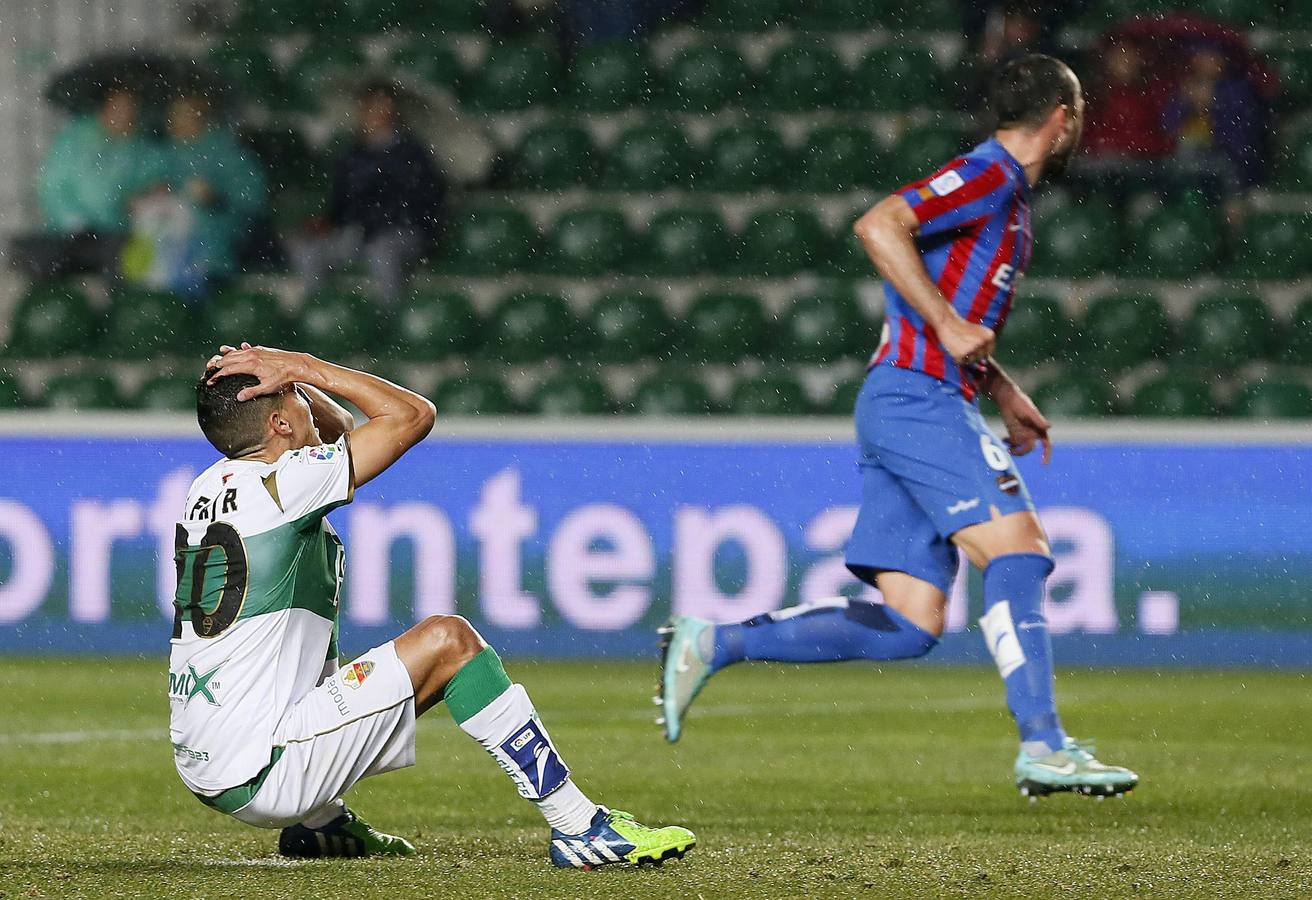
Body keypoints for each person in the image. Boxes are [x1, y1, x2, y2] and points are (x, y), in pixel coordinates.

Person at [657, 55, 1138, 802]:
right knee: (1020, 552)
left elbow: (944, 301)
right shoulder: (990, 174)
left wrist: (1001, 387)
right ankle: (1045, 744)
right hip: (920, 399)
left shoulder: (1007, 197)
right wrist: (949, 328)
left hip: (918, 397)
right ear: (1062, 117)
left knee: (912, 621)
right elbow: (880, 223)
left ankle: (717, 641)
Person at [172, 343, 695, 868]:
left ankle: (321, 827)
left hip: (208, 759)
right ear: (281, 424)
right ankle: (579, 827)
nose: (306, 398)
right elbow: (413, 415)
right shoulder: (287, 483)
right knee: (451, 643)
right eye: (294, 398)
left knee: (322, 668)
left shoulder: (209, 487)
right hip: (265, 772)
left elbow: (338, 430)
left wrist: (289, 389)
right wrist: (303, 366)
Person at [288, 81, 446, 306]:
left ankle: (388, 323)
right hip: (358, 232)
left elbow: (423, 201)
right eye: (369, 108)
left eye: (381, 108)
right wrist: (328, 223)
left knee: (382, 253)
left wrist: (381, 220)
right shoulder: (353, 154)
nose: (374, 115)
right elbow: (341, 201)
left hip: (400, 231)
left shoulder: (411, 152)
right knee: (308, 252)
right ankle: (322, 312)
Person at [19, 88, 166, 278]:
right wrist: (76, 222)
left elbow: (154, 182)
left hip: (121, 233)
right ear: (105, 107)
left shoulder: (141, 146)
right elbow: (52, 185)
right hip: (72, 233)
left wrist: (144, 197)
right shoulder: (75, 137)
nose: (126, 114)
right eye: (119, 107)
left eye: (132, 108)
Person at [159, 93, 267, 294]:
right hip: (166, 230)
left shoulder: (224, 151)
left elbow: (252, 194)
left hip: (217, 226)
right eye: (177, 115)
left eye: (188, 115)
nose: (182, 121)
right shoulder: (164, 152)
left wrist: (216, 197)